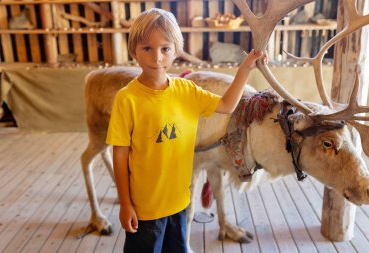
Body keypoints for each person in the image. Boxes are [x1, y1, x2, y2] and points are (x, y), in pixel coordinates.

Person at [106, 8, 266, 253]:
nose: (156, 57)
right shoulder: (127, 99)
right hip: (145, 208)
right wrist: (125, 203)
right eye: (147, 48)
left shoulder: (187, 90)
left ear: (175, 50)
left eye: (165, 49)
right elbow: (120, 153)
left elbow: (226, 105)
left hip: (180, 202)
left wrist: (245, 68)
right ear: (134, 50)